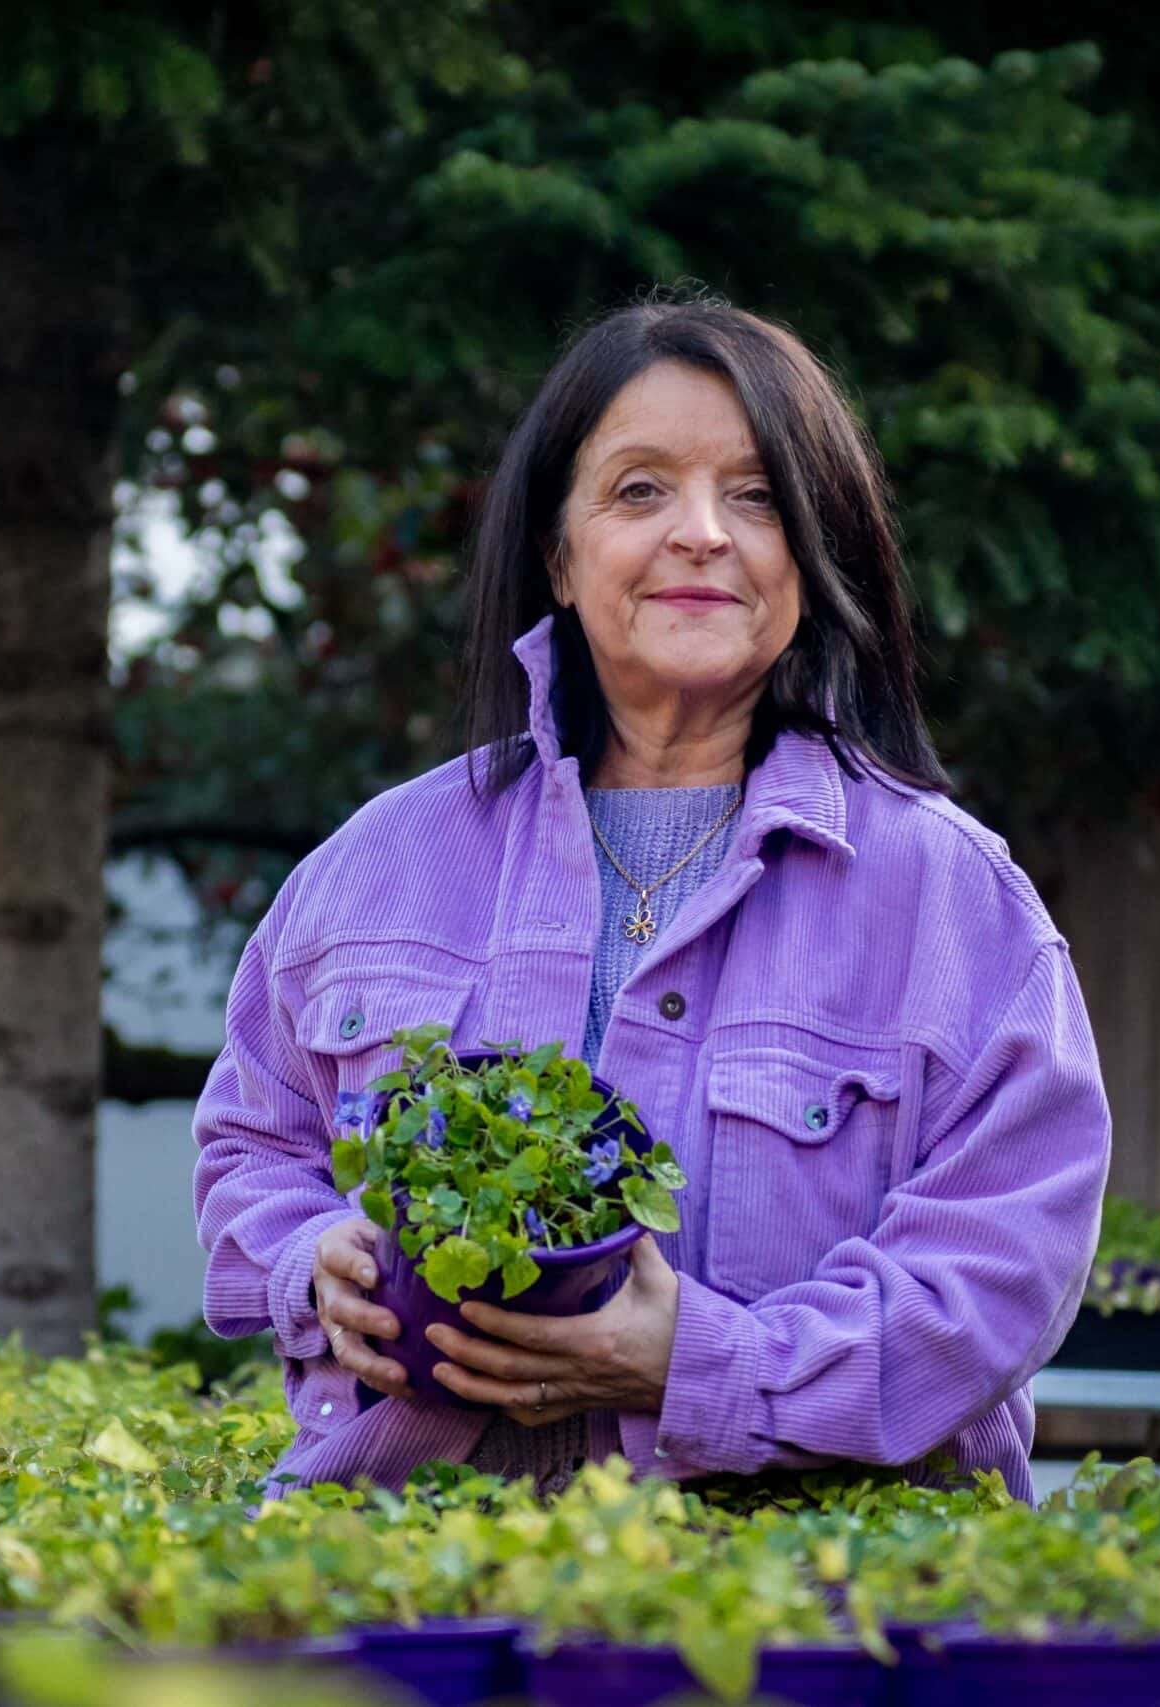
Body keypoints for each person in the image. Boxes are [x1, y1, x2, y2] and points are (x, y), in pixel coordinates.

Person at [191, 292, 1112, 1506]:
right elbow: (255, 1144)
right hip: (407, 1581)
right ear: (558, 557)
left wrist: (703, 1366)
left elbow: (999, 1272)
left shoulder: (952, 902)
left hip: (811, 1602)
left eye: (758, 497)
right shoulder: (377, 866)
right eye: (637, 491)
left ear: (813, 555)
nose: (700, 534)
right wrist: (307, 1261)